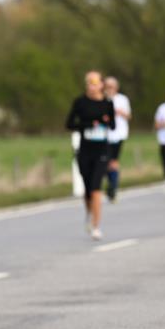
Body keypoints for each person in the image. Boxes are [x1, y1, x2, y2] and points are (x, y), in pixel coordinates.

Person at [65, 70, 115, 240]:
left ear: (102, 84)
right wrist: (87, 125)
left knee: (96, 189)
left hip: (102, 150)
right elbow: (70, 124)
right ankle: (89, 213)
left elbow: (113, 125)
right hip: (85, 150)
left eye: (95, 83)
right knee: (87, 190)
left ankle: (96, 226)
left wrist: (104, 122)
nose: (92, 86)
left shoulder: (108, 103)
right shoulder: (80, 102)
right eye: (89, 83)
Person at [103, 77, 131, 203]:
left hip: (118, 134)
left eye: (112, 86)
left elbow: (129, 116)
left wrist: (119, 112)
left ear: (116, 87)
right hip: (103, 135)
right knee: (105, 162)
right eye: (107, 86)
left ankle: (113, 189)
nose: (109, 89)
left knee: (113, 162)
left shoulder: (122, 99)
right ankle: (111, 185)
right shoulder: (102, 99)